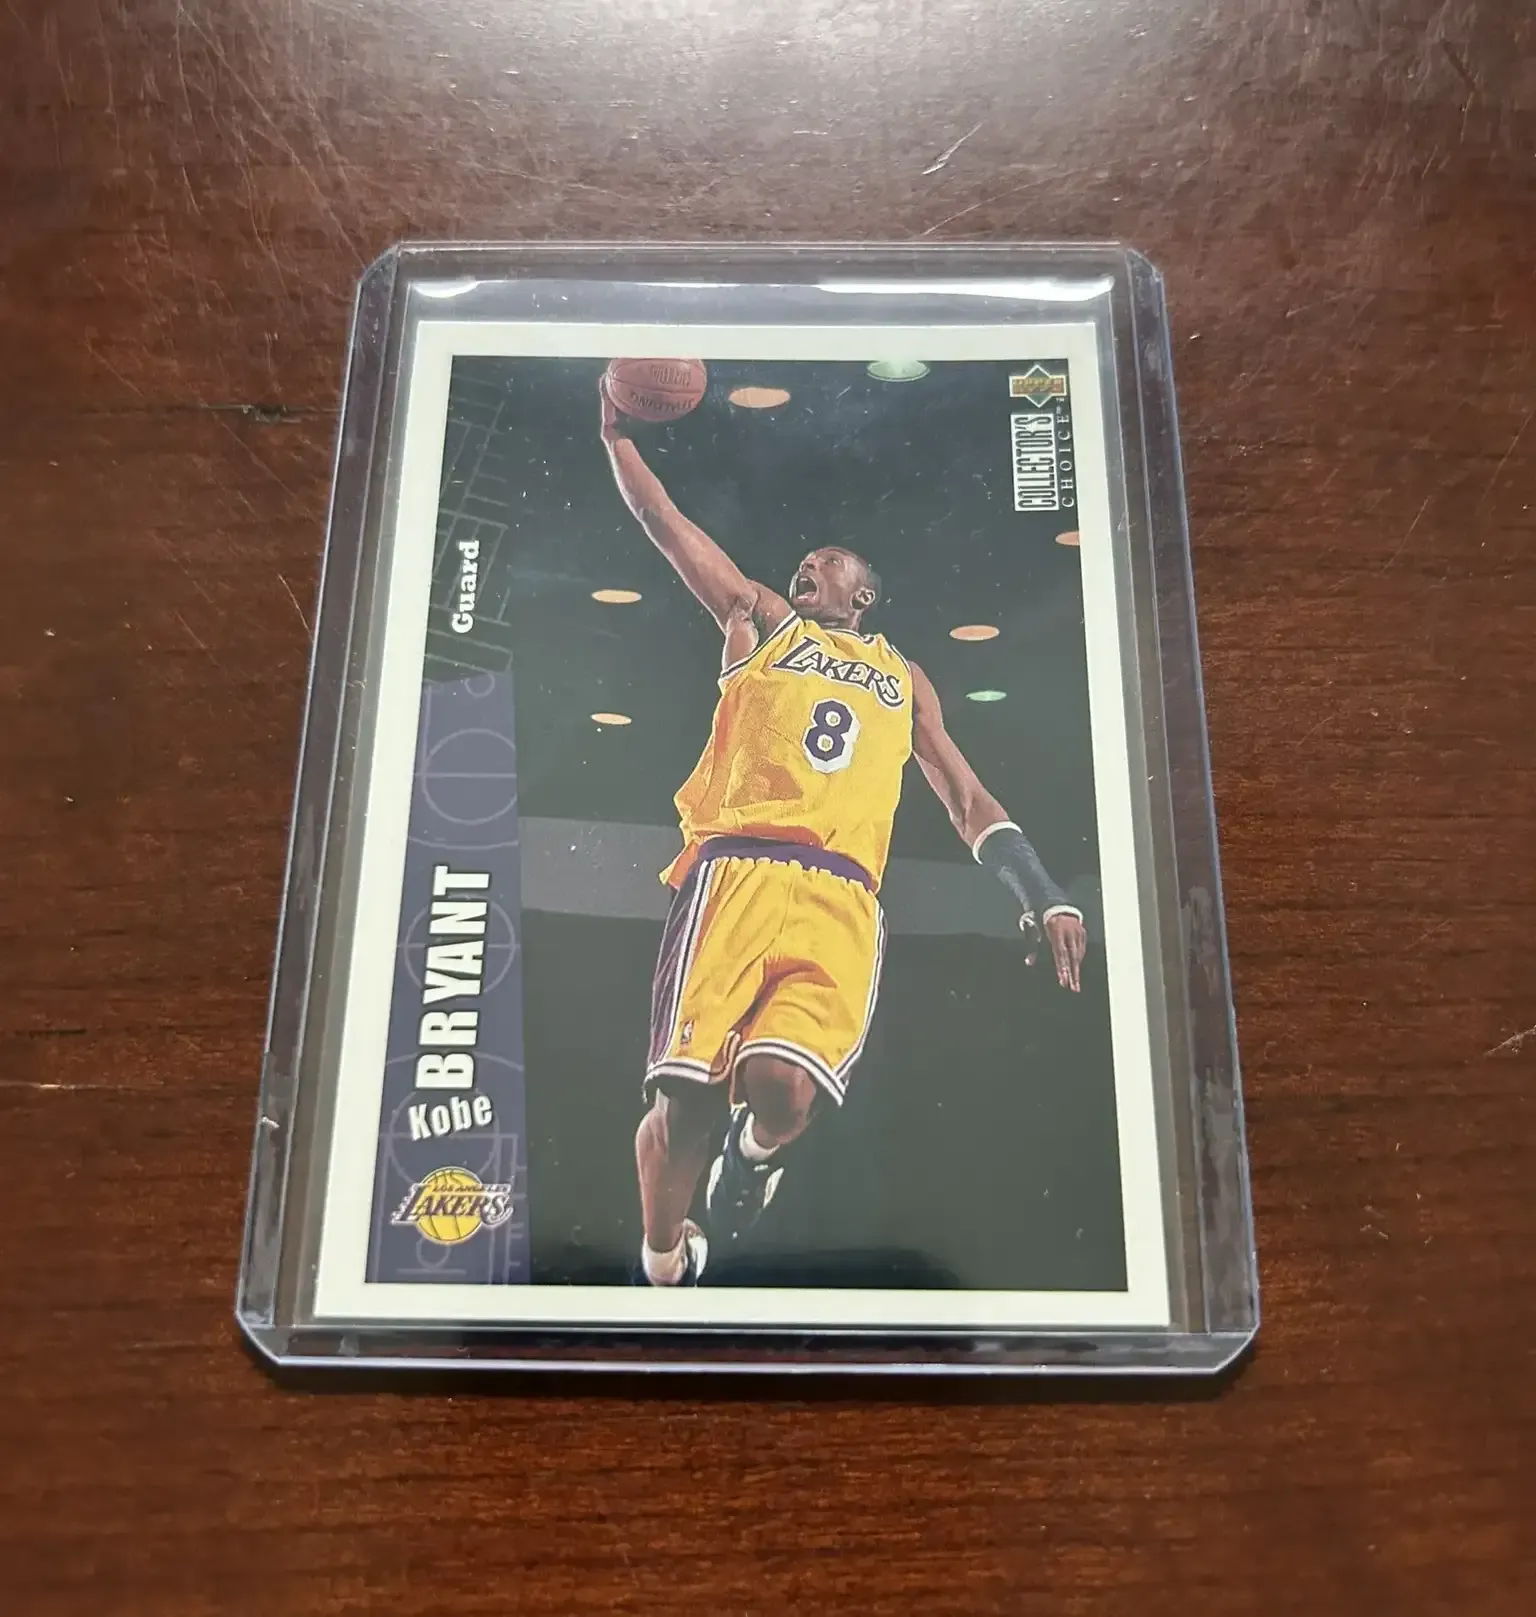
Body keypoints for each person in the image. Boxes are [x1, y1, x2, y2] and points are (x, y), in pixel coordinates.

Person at [600, 378, 1088, 1286]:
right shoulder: (761, 621)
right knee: (684, 1099)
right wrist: (619, 440)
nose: (806, 566)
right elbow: (667, 525)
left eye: (824, 563)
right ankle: (664, 1262)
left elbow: (968, 799)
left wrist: (1043, 891)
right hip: (736, 872)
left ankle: (752, 1158)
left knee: (783, 1089)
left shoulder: (905, 677)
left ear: (862, 594)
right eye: (804, 560)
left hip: (842, 895)